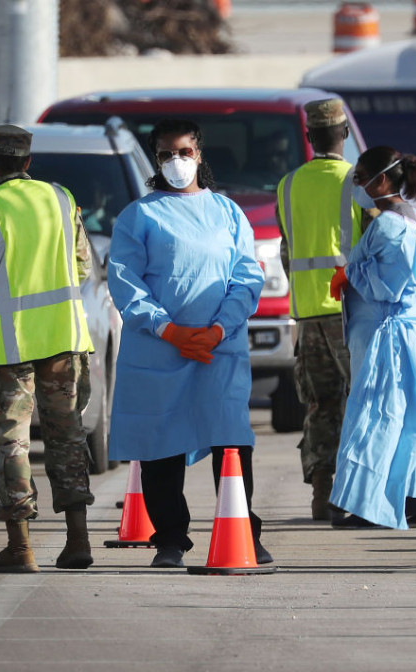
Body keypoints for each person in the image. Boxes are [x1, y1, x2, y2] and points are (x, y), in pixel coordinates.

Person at [107, 118, 271, 568]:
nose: (175, 162)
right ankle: (170, 538)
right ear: (155, 160)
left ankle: (243, 531)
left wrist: (218, 330)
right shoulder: (139, 215)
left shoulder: (227, 212)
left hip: (219, 348)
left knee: (231, 439)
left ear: (199, 154)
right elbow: (125, 281)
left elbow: (246, 276)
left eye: (183, 151)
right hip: (160, 349)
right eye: (165, 154)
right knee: (161, 444)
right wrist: (169, 330)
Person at [0, 124, 95, 573]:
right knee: (67, 437)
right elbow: (83, 266)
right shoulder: (61, 199)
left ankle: (21, 549)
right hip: (64, 341)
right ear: (28, 162)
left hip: (8, 348)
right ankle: (78, 541)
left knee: (12, 445)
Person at [327, 146, 416, 530]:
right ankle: (414, 501)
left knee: (377, 414)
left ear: (383, 179)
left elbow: (389, 284)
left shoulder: (389, 225)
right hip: (412, 329)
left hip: (387, 333)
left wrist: (349, 275)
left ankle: (368, 504)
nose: (358, 186)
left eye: (360, 178)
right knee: (412, 414)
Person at [275, 98, 365, 521]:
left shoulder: (288, 184)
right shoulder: (358, 182)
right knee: (359, 400)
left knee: (319, 404)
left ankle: (321, 493)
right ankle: (353, 494)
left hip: (306, 312)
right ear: (344, 134)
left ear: (309, 137)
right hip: (350, 313)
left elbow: (285, 251)